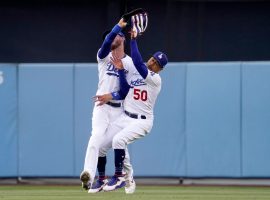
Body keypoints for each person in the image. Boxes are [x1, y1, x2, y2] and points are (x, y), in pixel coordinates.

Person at [94, 30, 168, 192]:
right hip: (125, 117)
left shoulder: (155, 79)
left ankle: (119, 176)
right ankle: (113, 178)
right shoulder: (137, 73)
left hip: (142, 121)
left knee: (119, 141)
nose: (153, 62)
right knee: (101, 146)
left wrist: (133, 40)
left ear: (161, 69)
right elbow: (124, 89)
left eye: (157, 63)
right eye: (153, 58)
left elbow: (138, 63)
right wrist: (120, 70)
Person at [80, 18, 136, 194]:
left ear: (122, 38)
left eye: (113, 37)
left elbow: (125, 91)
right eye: (108, 38)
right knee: (96, 137)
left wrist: (110, 94)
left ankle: (127, 177)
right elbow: (106, 42)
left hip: (120, 110)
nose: (110, 40)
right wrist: (118, 26)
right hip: (102, 108)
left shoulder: (129, 63)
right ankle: (89, 174)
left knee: (118, 144)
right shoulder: (103, 56)